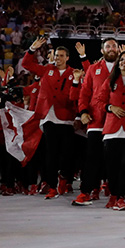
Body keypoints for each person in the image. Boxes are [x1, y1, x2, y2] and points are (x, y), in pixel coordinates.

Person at [22, 38, 82, 199]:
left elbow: (75, 97)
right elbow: (26, 64)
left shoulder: (73, 73)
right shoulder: (47, 69)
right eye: (56, 55)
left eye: (61, 56)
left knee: (67, 153)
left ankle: (64, 178)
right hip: (48, 117)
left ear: (67, 57)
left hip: (67, 118)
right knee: (51, 154)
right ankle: (52, 186)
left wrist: (76, 82)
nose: (58, 58)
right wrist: (31, 49)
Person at [92, 50, 125, 211]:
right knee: (112, 165)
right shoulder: (110, 80)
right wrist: (110, 107)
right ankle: (113, 195)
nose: (124, 62)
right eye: (122, 60)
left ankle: (121, 196)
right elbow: (98, 100)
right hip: (112, 129)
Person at [72, 38, 120, 206]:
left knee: (114, 158)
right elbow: (84, 93)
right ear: (102, 50)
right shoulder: (93, 69)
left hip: (117, 121)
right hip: (96, 119)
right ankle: (86, 191)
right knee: (91, 157)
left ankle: (114, 192)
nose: (111, 49)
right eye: (108, 46)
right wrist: (83, 112)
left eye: (114, 46)